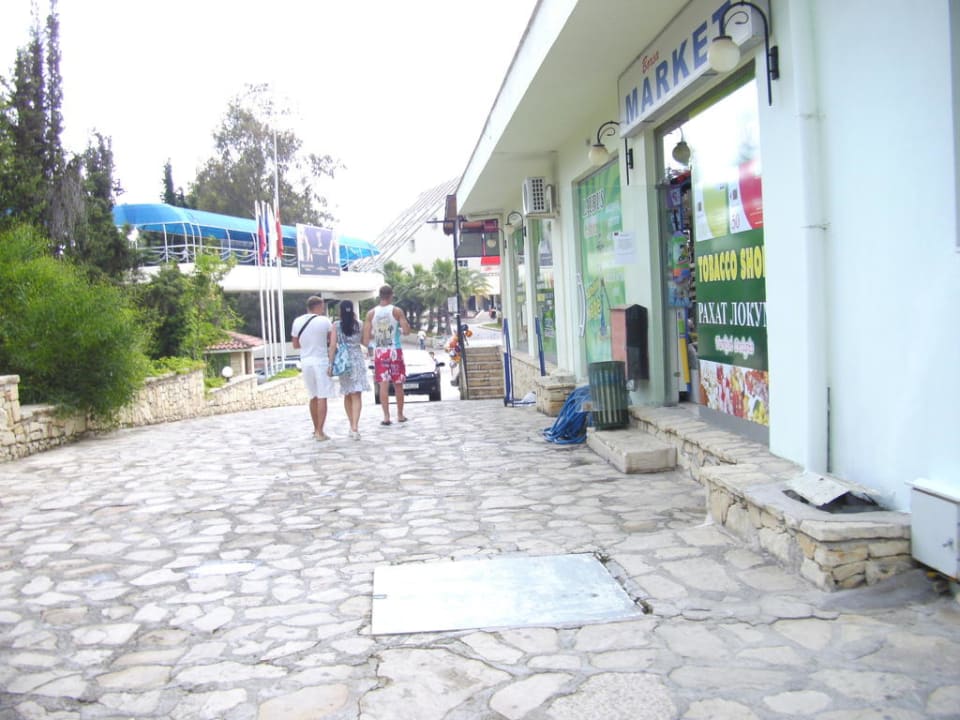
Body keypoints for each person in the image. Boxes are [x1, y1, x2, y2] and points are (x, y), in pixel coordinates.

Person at [362, 284, 412, 425]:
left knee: (383, 385)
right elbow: (407, 331)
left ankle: (386, 417)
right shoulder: (397, 311)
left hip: (380, 351)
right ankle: (400, 415)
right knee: (398, 384)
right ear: (391, 295)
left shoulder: (371, 313)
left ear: (380, 296)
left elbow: (366, 338)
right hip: (395, 350)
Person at [291, 295, 338, 441]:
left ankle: (315, 428)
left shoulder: (297, 321)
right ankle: (320, 431)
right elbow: (331, 340)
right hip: (321, 360)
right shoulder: (324, 321)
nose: (323, 310)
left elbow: (295, 344)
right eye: (322, 307)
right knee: (322, 396)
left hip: (305, 361)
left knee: (313, 396)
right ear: (318, 306)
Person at [334, 300, 369, 440]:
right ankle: (355, 427)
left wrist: (330, 364)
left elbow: (332, 345)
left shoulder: (336, 325)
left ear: (340, 311)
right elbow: (365, 342)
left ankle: (352, 425)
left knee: (348, 393)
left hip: (343, 361)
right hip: (357, 359)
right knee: (356, 394)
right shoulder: (359, 324)